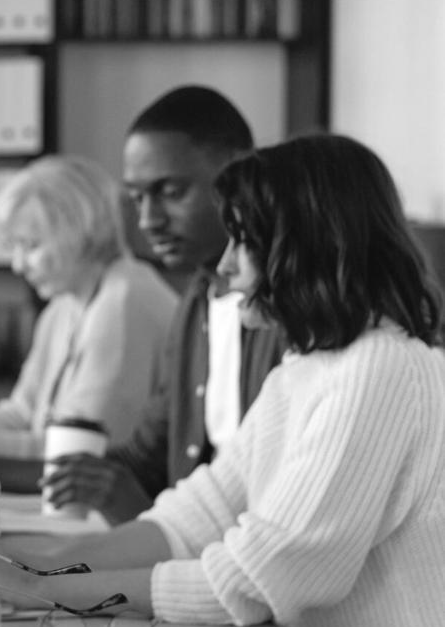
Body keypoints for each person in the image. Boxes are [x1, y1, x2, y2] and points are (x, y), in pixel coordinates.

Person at [0, 134, 445, 627]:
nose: (227, 267)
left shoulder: (380, 369)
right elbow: (194, 516)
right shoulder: (307, 367)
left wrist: (49, 591)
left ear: (301, 247)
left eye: (243, 241)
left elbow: (262, 575)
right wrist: (28, 565)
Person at [41, 86, 286, 523]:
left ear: (238, 174)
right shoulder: (197, 303)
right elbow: (146, 458)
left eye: (171, 192)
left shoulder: (285, 309)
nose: (149, 220)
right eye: (137, 198)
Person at [0, 154, 177, 460]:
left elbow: (77, 453)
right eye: (14, 246)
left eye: (31, 245)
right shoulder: (63, 305)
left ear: (79, 233)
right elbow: (23, 413)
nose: (18, 266)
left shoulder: (124, 303)